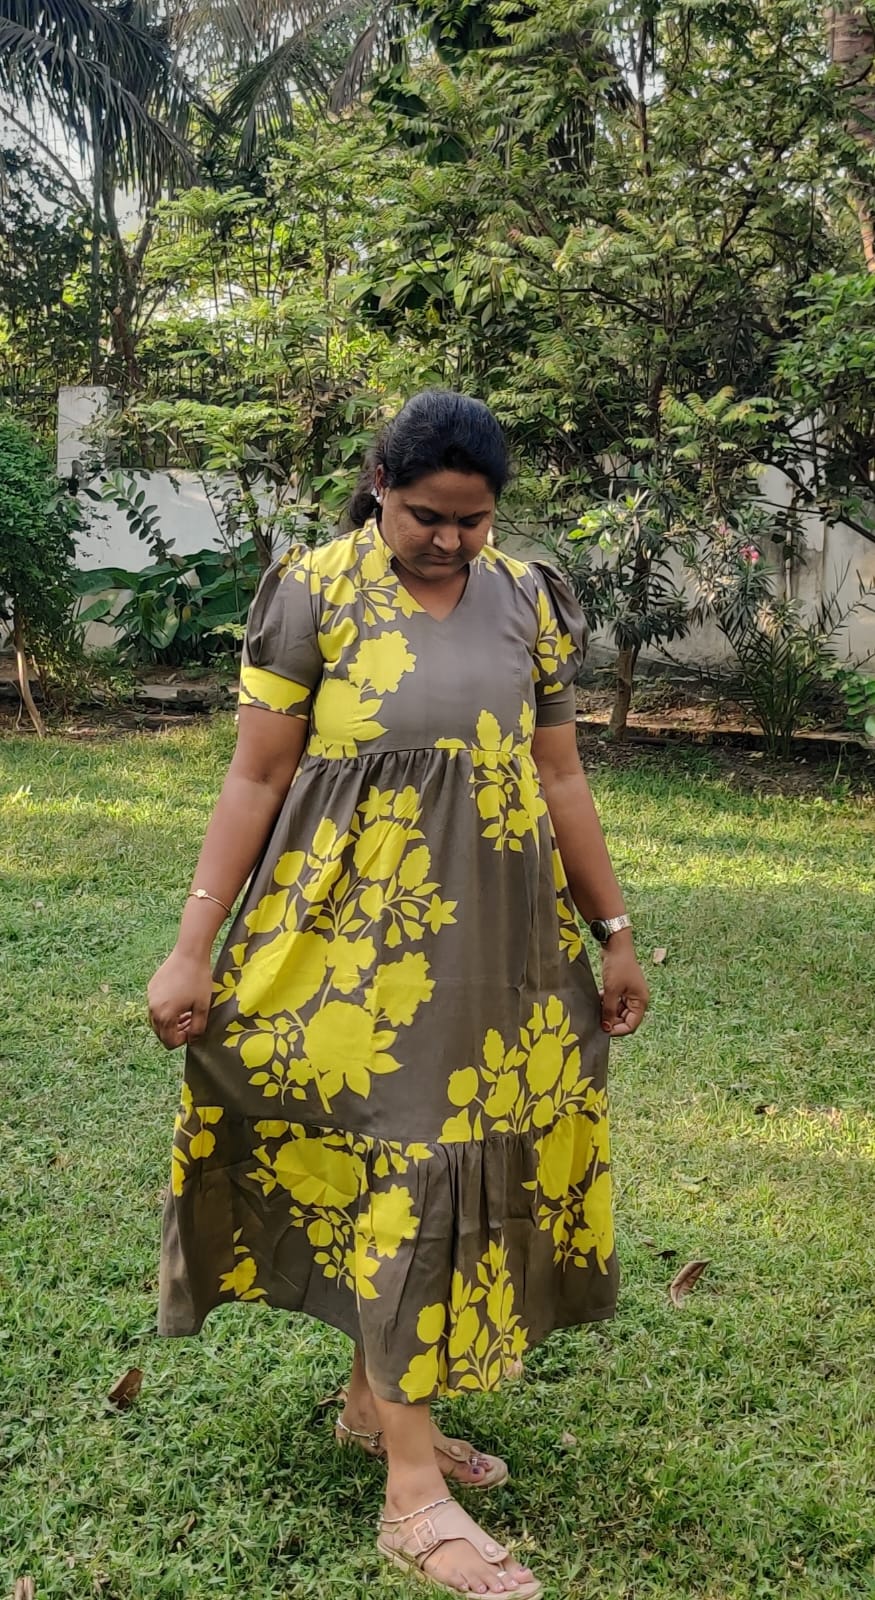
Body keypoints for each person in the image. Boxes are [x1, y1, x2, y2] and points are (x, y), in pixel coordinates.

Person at [148, 390, 649, 1598]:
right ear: (379, 484)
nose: (450, 540)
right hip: (349, 939)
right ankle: (411, 1497)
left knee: (452, 1152)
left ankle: (376, 1408)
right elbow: (254, 778)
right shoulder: (311, 590)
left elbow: (559, 775)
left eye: (473, 521)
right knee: (405, 1162)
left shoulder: (527, 599)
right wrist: (191, 946)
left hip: (501, 940)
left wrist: (614, 932)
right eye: (428, 515)